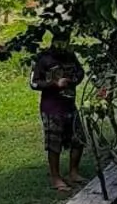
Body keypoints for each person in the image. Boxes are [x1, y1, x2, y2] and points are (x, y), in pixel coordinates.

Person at [31, 40, 84, 191]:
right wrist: (54, 83)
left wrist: (73, 80)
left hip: (69, 105)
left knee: (78, 139)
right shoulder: (44, 59)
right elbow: (34, 83)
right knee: (54, 144)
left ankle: (74, 172)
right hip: (52, 108)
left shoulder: (70, 56)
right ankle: (56, 178)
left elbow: (80, 72)